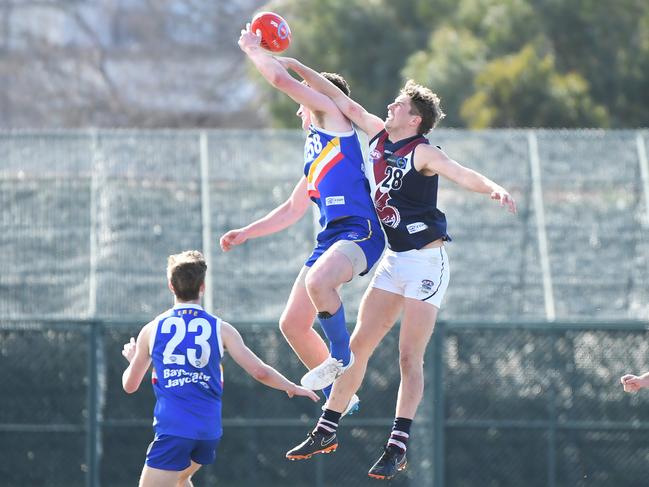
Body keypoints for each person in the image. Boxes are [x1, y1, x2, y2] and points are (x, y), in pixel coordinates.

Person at [280, 58, 517, 480]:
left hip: (426, 263)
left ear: (416, 118)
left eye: (399, 104)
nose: (390, 106)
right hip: (393, 260)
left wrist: (494, 188)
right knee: (358, 346)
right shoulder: (376, 136)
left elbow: (462, 173)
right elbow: (336, 97)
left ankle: (398, 444)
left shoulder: (422, 150)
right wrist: (296, 66)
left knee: (410, 357)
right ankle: (327, 427)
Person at [220, 23, 385, 411]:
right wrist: (248, 231)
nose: (298, 107)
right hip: (333, 240)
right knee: (292, 323)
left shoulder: (332, 117)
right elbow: (293, 208)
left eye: (303, 99)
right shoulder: (315, 154)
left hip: (360, 233)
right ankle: (343, 398)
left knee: (318, 281)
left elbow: (278, 77)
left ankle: (341, 358)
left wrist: (252, 49)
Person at [121, 250, 318, 487]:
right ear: (202, 286)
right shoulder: (221, 329)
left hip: (174, 430)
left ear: (171, 286)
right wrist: (291, 386)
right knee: (181, 480)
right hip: (208, 432)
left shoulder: (152, 330)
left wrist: (135, 360)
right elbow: (260, 371)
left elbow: (129, 385)